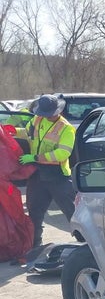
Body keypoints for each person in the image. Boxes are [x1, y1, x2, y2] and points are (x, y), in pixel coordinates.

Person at [17, 94, 77, 248]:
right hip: (37, 174)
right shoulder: (37, 120)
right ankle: (35, 246)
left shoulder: (66, 128)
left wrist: (35, 157)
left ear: (58, 111)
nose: (46, 117)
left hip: (58, 176)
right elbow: (26, 132)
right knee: (34, 212)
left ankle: (86, 243)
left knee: (72, 212)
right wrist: (9, 131)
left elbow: (62, 153)